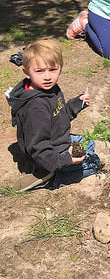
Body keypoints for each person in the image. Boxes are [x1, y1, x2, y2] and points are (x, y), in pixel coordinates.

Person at [7, 38, 99, 190]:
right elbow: (38, 146)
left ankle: (55, 166)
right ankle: (51, 177)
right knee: (94, 161)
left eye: (53, 69)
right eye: (40, 71)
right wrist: (65, 159)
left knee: (89, 143)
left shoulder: (50, 88)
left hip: (57, 139)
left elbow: (59, 115)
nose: (48, 76)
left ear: (60, 68)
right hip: (48, 152)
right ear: (26, 72)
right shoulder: (36, 108)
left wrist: (76, 104)